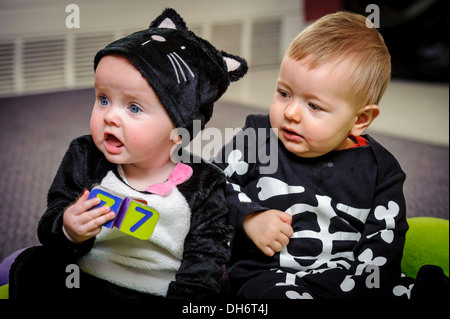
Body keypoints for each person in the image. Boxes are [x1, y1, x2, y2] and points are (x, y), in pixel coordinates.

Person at [9, 8, 247, 299]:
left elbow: (205, 261)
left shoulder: (206, 185)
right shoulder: (84, 155)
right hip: (86, 274)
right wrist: (69, 228)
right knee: (33, 265)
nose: (110, 117)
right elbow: (53, 220)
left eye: (133, 108)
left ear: (179, 130)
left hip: (155, 291)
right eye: (103, 99)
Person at [214, 11, 449, 299]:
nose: (290, 113)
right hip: (269, 274)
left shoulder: (381, 170)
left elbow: (384, 239)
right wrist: (249, 217)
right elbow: (210, 182)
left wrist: (365, 287)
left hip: (350, 277)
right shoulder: (257, 138)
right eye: (284, 93)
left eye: (314, 106)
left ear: (360, 119)